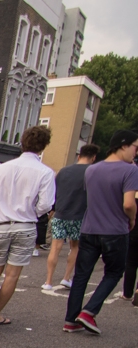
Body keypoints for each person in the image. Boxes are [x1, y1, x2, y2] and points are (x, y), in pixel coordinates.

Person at [0, 126, 55, 326]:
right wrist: (31, 212)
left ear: (22, 142)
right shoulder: (45, 172)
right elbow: (46, 204)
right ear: (43, 146)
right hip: (25, 225)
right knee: (12, 274)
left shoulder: (2, 168)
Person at [63, 129, 138, 334]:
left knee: (81, 275)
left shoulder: (92, 170)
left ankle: (71, 320)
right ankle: (89, 311)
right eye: (135, 147)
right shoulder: (130, 170)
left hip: (89, 228)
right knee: (114, 272)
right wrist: (131, 219)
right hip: (115, 230)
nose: (136, 152)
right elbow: (129, 204)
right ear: (123, 145)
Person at [43, 144, 99, 290]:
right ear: (93, 158)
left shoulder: (64, 171)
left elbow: (55, 192)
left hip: (60, 213)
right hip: (80, 215)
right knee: (75, 247)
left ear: (79, 156)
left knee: (55, 247)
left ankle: (48, 281)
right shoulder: (93, 172)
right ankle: (66, 278)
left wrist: (53, 210)